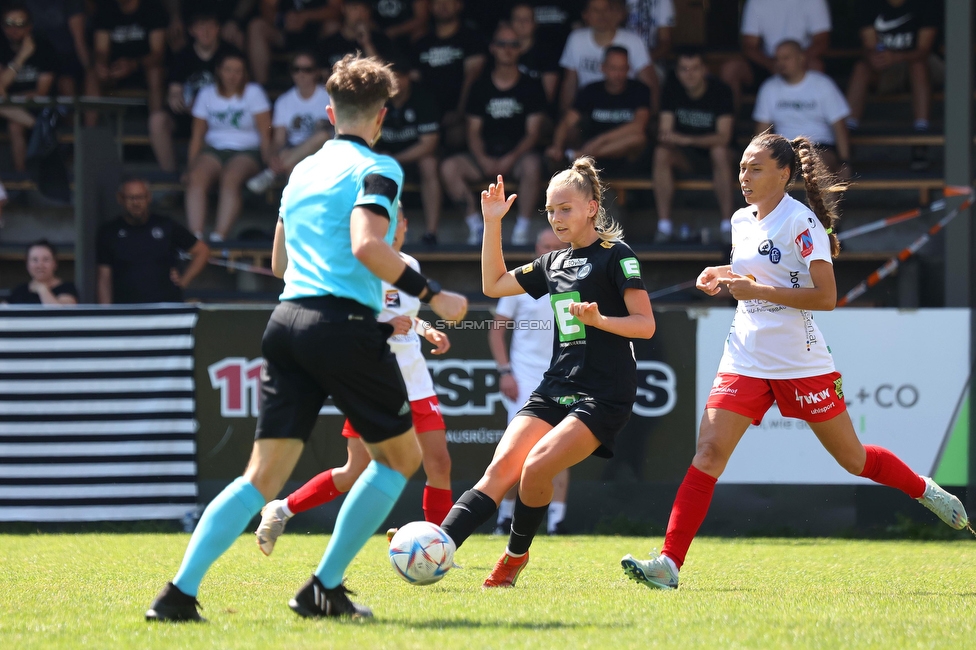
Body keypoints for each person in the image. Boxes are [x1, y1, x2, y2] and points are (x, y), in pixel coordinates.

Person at [145, 53, 467, 622]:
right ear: (382, 116)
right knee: (399, 458)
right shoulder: (380, 168)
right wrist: (436, 295)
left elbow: (277, 259)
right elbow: (370, 246)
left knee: (258, 478)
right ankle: (323, 586)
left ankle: (178, 594)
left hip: (285, 321)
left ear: (329, 111)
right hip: (339, 325)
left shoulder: (302, 170)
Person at [620, 132, 970, 591]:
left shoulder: (801, 223)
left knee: (853, 459)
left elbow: (826, 296)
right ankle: (669, 564)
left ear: (784, 174)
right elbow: (754, 273)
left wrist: (758, 290)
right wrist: (720, 274)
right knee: (708, 453)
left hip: (799, 362)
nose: (743, 176)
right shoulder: (741, 219)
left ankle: (923, 489)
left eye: (755, 168)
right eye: (742, 167)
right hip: (744, 356)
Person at [438, 158, 655, 588]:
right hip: (557, 383)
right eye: (550, 210)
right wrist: (492, 223)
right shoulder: (552, 263)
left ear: (592, 208)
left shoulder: (617, 256)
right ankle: (438, 545)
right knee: (500, 471)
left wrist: (601, 321)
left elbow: (645, 326)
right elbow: (493, 285)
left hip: (605, 392)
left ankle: (514, 557)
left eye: (565, 208)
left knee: (536, 468)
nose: (556, 218)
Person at [254, 207, 454, 554]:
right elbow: (353, 324)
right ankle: (282, 508)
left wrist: (426, 329)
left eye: (396, 221)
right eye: (383, 221)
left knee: (439, 463)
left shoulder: (411, 266)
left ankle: (437, 549)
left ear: (404, 225)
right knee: (354, 470)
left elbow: (406, 317)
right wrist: (387, 328)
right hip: (371, 379)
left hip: (416, 383)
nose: (389, 228)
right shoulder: (356, 267)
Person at [488, 227, 571, 536]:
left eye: (555, 247)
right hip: (523, 380)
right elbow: (496, 331)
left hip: (563, 378)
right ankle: (503, 519)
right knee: (516, 452)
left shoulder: (577, 281)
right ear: (536, 247)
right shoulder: (519, 282)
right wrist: (505, 371)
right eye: (543, 246)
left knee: (562, 448)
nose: (548, 252)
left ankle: (557, 523)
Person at [441, 22, 547, 247]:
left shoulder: (532, 86)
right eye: (502, 44)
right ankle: (475, 227)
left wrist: (510, 159)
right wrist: (483, 159)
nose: (507, 49)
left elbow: (533, 133)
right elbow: (473, 131)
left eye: (513, 44)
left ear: (520, 48)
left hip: (518, 158)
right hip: (484, 157)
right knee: (449, 168)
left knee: (533, 166)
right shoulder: (480, 86)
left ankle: (522, 230)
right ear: (493, 48)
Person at [845, 0, 942, 172]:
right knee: (861, 68)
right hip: (888, 69)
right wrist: (875, 57)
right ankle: (847, 136)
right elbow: (870, 47)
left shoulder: (927, 4)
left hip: (925, 66)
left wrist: (896, 57)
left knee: (918, 66)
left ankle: (921, 136)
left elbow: (924, 49)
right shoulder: (867, 5)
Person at [185, 51, 272, 242]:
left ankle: (219, 237)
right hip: (214, 149)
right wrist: (190, 166)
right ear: (219, 71)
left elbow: (265, 132)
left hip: (247, 150)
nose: (233, 75)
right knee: (196, 178)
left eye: (238, 71)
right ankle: (194, 239)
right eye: (228, 70)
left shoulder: (254, 93)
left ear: (244, 73)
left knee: (230, 178)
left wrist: (267, 164)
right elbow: (197, 135)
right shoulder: (206, 94)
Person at [655, 47, 735, 243]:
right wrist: (679, 140)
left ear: (705, 70)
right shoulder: (671, 89)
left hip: (719, 157)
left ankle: (727, 226)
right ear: (677, 72)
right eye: (684, 69)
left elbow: (723, 137)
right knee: (661, 153)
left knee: (718, 151)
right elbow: (665, 134)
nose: (689, 74)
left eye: (695, 68)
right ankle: (664, 227)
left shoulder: (721, 91)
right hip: (686, 158)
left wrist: (685, 139)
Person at [151, 11, 243, 174]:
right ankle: (170, 177)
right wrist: (177, 98)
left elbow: (239, 93)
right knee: (157, 120)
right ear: (192, 31)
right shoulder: (182, 56)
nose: (206, 32)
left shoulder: (231, 54)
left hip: (219, 117)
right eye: (201, 27)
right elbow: (175, 90)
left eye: (210, 27)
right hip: (187, 113)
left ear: (218, 29)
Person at [97, 178, 210, 304]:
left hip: (166, 307)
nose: (136, 203)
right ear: (120, 199)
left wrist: (183, 281)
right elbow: (104, 278)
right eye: (130, 198)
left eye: (140, 197)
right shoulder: (109, 231)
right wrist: (106, 311)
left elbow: (202, 251)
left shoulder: (166, 225)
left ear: (149, 198)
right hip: (127, 309)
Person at [547, 46, 650, 176]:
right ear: (603, 67)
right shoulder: (591, 90)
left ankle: (584, 157)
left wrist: (599, 141)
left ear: (628, 69)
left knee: (638, 138)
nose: (618, 74)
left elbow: (638, 126)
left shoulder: (639, 90)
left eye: (622, 68)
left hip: (625, 155)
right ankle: (583, 157)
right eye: (613, 68)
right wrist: (557, 146)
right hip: (595, 157)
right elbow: (567, 121)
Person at [754, 41, 851, 176]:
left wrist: (845, 162)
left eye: (786, 58)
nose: (780, 63)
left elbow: (839, 126)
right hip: (785, 149)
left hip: (820, 147)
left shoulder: (823, 84)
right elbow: (762, 132)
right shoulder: (769, 88)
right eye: (777, 59)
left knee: (818, 164)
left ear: (801, 58)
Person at [373, 58, 442, 245]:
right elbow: (365, 139)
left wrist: (395, 159)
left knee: (429, 163)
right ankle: (383, 233)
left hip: (413, 157)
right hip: (384, 159)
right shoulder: (376, 101)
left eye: (400, 76)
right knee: (374, 166)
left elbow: (430, 144)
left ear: (408, 77)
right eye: (392, 77)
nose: (396, 81)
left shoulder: (423, 99)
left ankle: (431, 233)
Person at [719, 0, 832, 113]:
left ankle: (814, 123)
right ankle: (729, 125)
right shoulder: (756, 2)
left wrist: (793, 61)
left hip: (802, 62)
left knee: (816, 66)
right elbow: (749, 45)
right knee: (731, 69)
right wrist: (771, 64)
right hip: (767, 62)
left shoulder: (814, 1)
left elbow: (821, 41)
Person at [247, 51, 332, 193]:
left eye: (307, 70)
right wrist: (274, 157)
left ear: (316, 72)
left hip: (324, 151)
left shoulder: (328, 97)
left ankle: (271, 174)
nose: (301, 74)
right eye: (296, 69)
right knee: (293, 168)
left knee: (322, 135)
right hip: (293, 151)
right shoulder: (284, 101)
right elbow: (279, 139)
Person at [557, 0, 657, 115]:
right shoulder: (576, 39)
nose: (602, 14)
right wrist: (564, 117)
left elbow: (650, 83)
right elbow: (570, 83)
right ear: (585, 15)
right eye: (595, 10)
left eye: (607, 9)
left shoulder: (633, 41)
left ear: (616, 13)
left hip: (625, 107)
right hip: (589, 106)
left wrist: (653, 117)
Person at [411, 0, 487, 151]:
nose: (443, 5)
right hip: (428, 115)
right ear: (430, 8)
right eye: (437, 2)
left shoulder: (471, 38)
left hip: (461, 111)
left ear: (459, 5)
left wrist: (460, 112)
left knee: (457, 137)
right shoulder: (421, 43)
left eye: (448, 1)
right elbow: (414, 83)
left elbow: (473, 78)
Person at [86, 0, 168, 130]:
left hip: (143, 68)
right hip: (114, 71)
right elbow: (101, 50)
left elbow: (158, 53)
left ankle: (157, 128)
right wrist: (101, 64)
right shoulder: (106, 7)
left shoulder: (153, 7)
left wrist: (133, 64)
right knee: (93, 75)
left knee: (155, 72)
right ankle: (89, 135)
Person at [0, 4, 58, 173]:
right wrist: (22, 56)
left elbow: (41, 93)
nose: (14, 29)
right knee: (12, 122)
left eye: (20, 24)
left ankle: (23, 175)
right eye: (9, 24)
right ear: (3, 27)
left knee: (15, 125)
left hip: (35, 108)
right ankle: (39, 128)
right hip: (7, 107)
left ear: (29, 26)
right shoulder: (1, 47)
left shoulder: (44, 47)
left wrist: (11, 95)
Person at [246, 0, 341, 85]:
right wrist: (282, 20)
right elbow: (266, 6)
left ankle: (331, 84)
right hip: (285, 33)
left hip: (318, 35)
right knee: (256, 26)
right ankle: (262, 87)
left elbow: (336, 9)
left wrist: (305, 16)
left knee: (333, 26)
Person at [30, 0, 91, 97]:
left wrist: (88, 68)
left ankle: (73, 111)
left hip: (64, 57)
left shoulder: (70, 3)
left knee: (68, 81)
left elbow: (79, 41)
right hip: (33, 55)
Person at [318, 0, 399, 70]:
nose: (360, 14)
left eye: (364, 9)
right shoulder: (329, 43)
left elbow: (383, 73)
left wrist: (367, 43)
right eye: (355, 8)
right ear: (344, 9)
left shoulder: (381, 40)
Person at [510, 2, 560, 104]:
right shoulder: (502, 50)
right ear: (510, 23)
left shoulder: (547, 53)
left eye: (526, 19)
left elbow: (548, 96)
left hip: (535, 109)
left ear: (535, 24)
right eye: (517, 19)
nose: (521, 23)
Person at [3, 240, 77, 306]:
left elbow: (62, 314)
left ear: (55, 264)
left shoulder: (67, 288)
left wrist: (42, 289)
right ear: (27, 264)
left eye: (46, 260)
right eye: (35, 260)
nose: (40, 265)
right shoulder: (19, 291)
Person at [624, 0, 675, 73]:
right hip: (619, 59)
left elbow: (665, 43)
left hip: (651, 61)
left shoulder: (663, 1)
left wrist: (641, 61)